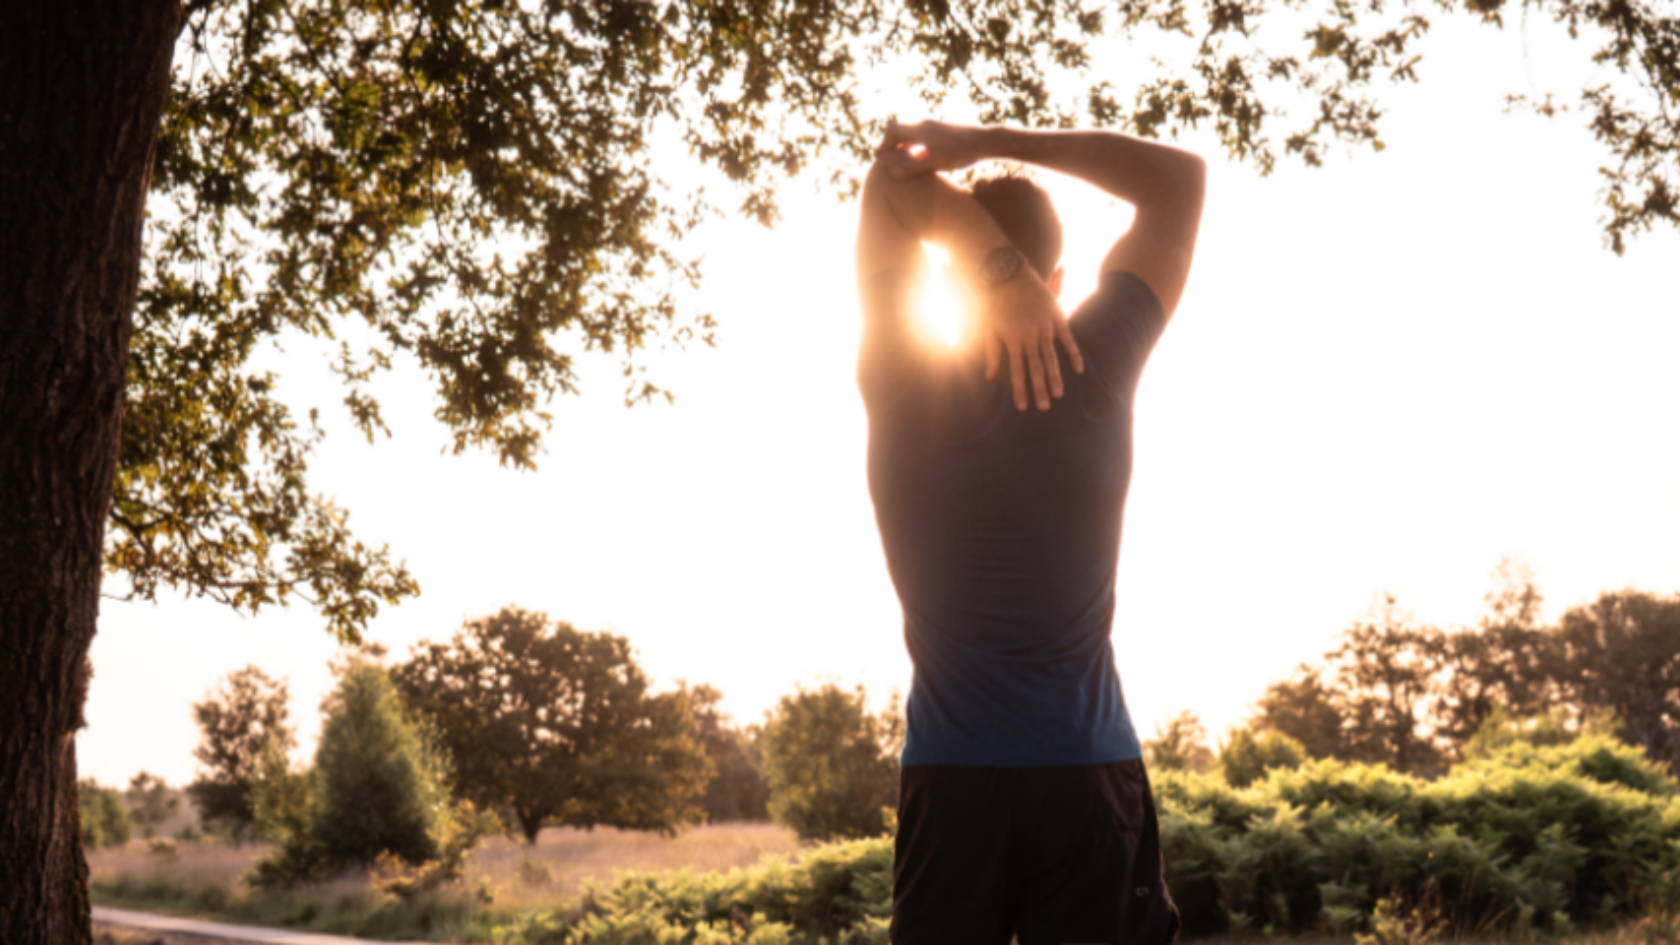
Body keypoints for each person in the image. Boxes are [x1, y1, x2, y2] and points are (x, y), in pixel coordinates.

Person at [854, 121, 1206, 945]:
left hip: (951, 779)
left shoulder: (900, 378)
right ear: (1059, 281)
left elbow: (884, 185)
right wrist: (986, 142)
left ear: (947, 277)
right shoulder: (1095, 363)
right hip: (1084, 770)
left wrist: (990, 262)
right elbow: (1180, 181)